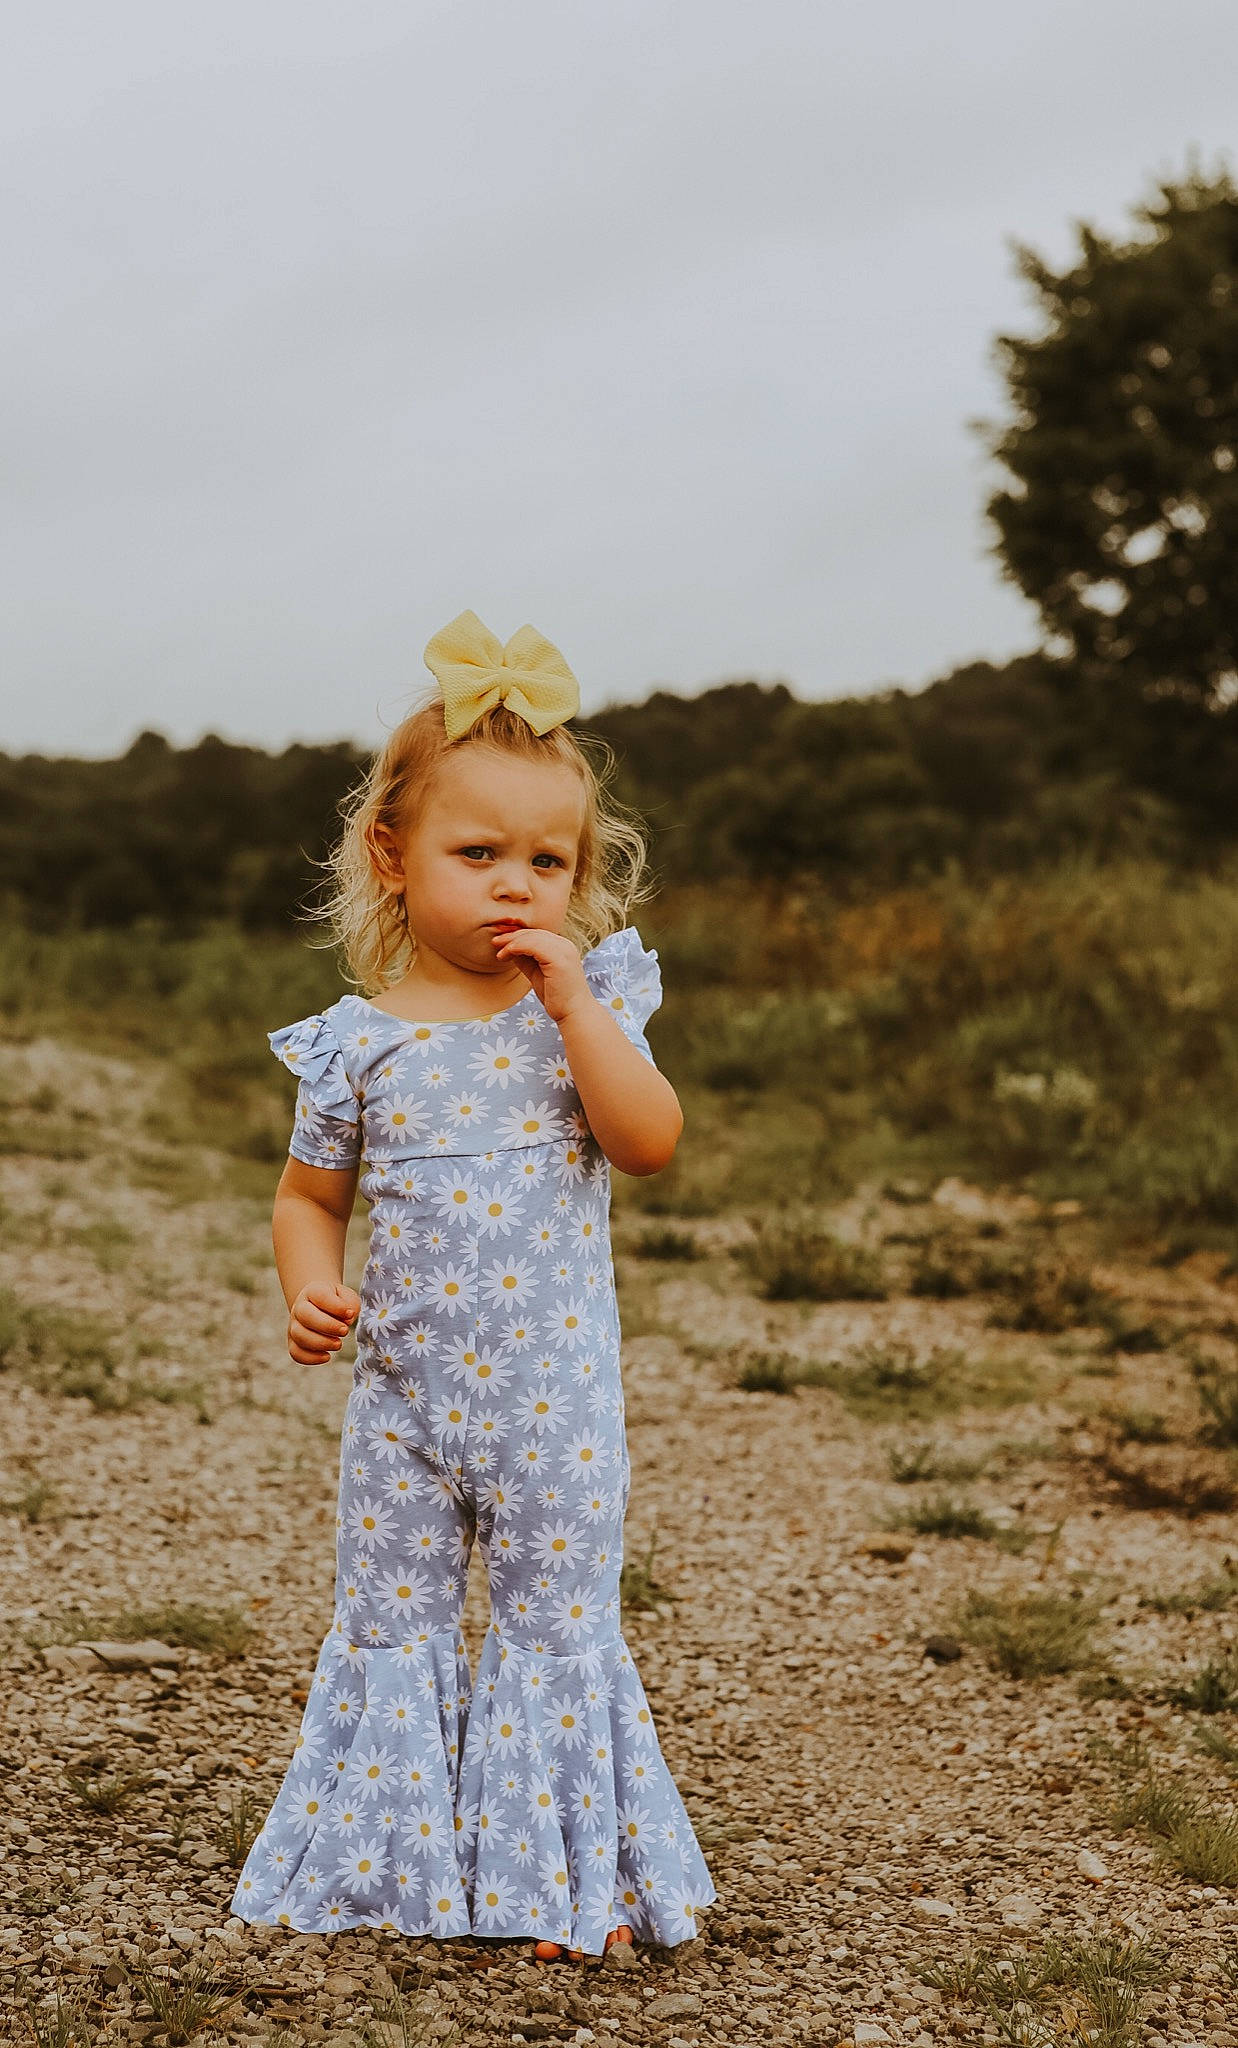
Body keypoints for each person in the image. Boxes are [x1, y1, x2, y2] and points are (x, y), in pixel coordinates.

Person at [229, 610, 718, 1961]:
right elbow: (306, 1195)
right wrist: (310, 1283)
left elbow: (651, 1142)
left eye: (547, 861)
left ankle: (570, 1884)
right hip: (401, 1407)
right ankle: (393, 1865)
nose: (516, 886)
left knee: (555, 1631)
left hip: (551, 1410)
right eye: (478, 853)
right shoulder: (357, 1045)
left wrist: (577, 1012)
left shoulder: (583, 1016)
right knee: (391, 1622)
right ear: (392, 856)